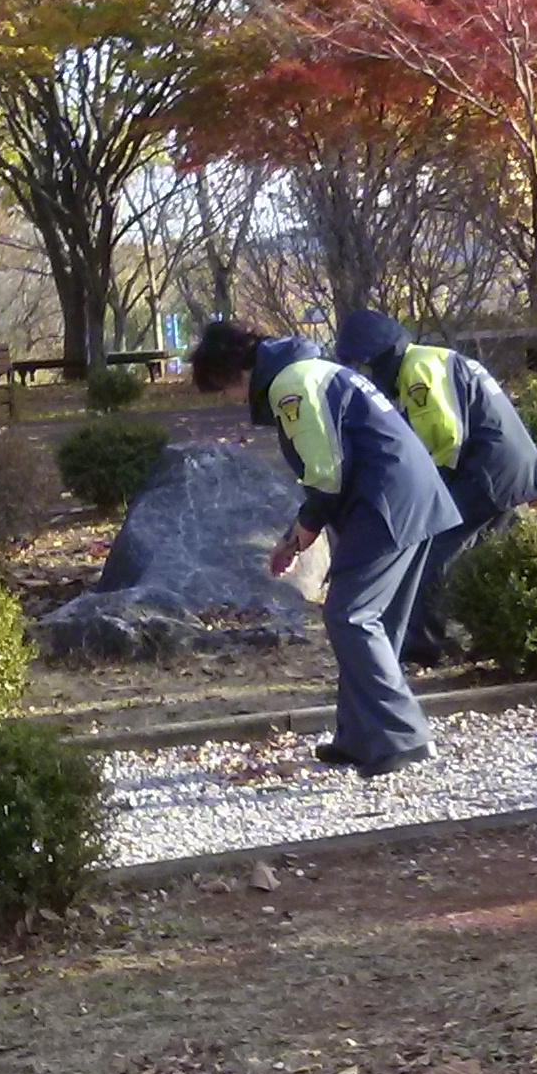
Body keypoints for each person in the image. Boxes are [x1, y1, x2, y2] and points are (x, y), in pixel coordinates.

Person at [190, 318, 462, 775]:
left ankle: (402, 737)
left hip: (385, 505)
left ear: (235, 372)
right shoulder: (315, 368)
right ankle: (360, 736)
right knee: (378, 623)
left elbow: (325, 471)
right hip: (413, 496)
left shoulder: (292, 383)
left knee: (349, 616)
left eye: (223, 389)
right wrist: (296, 536)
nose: (230, 399)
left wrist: (301, 533)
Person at [329, 308, 537, 666]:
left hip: (484, 474)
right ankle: (503, 635)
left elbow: (446, 437)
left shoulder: (417, 370)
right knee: (493, 554)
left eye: (362, 366)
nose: (363, 376)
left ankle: (425, 647)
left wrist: (426, 487)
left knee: (431, 554)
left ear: (376, 356)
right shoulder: (434, 358)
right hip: (506, 468)